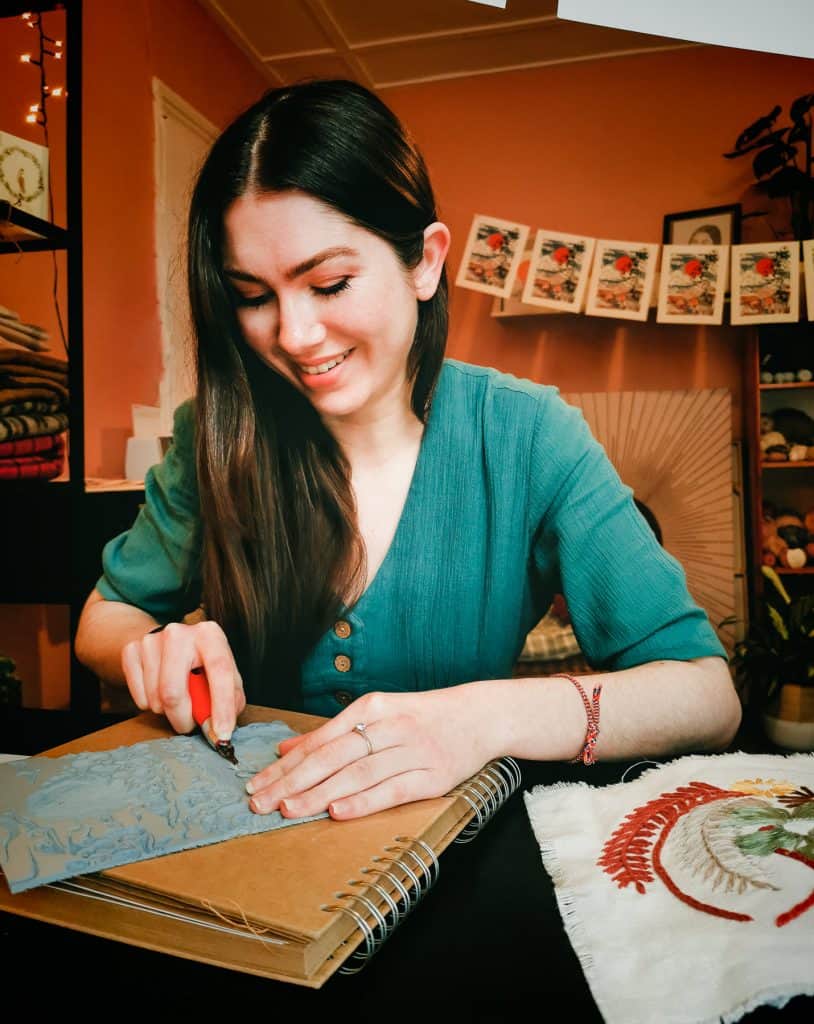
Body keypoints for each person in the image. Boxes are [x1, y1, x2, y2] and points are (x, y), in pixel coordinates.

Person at [75, 79, 741, 823]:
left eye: (329, 283)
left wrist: (482, 719)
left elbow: (707, 694)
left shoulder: (527, 435)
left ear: (425, 262)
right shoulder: (216, 431)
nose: (293, 336)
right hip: (248, 852)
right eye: (254, 296)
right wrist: (156, 645)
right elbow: (106, 616)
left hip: (442, 875)